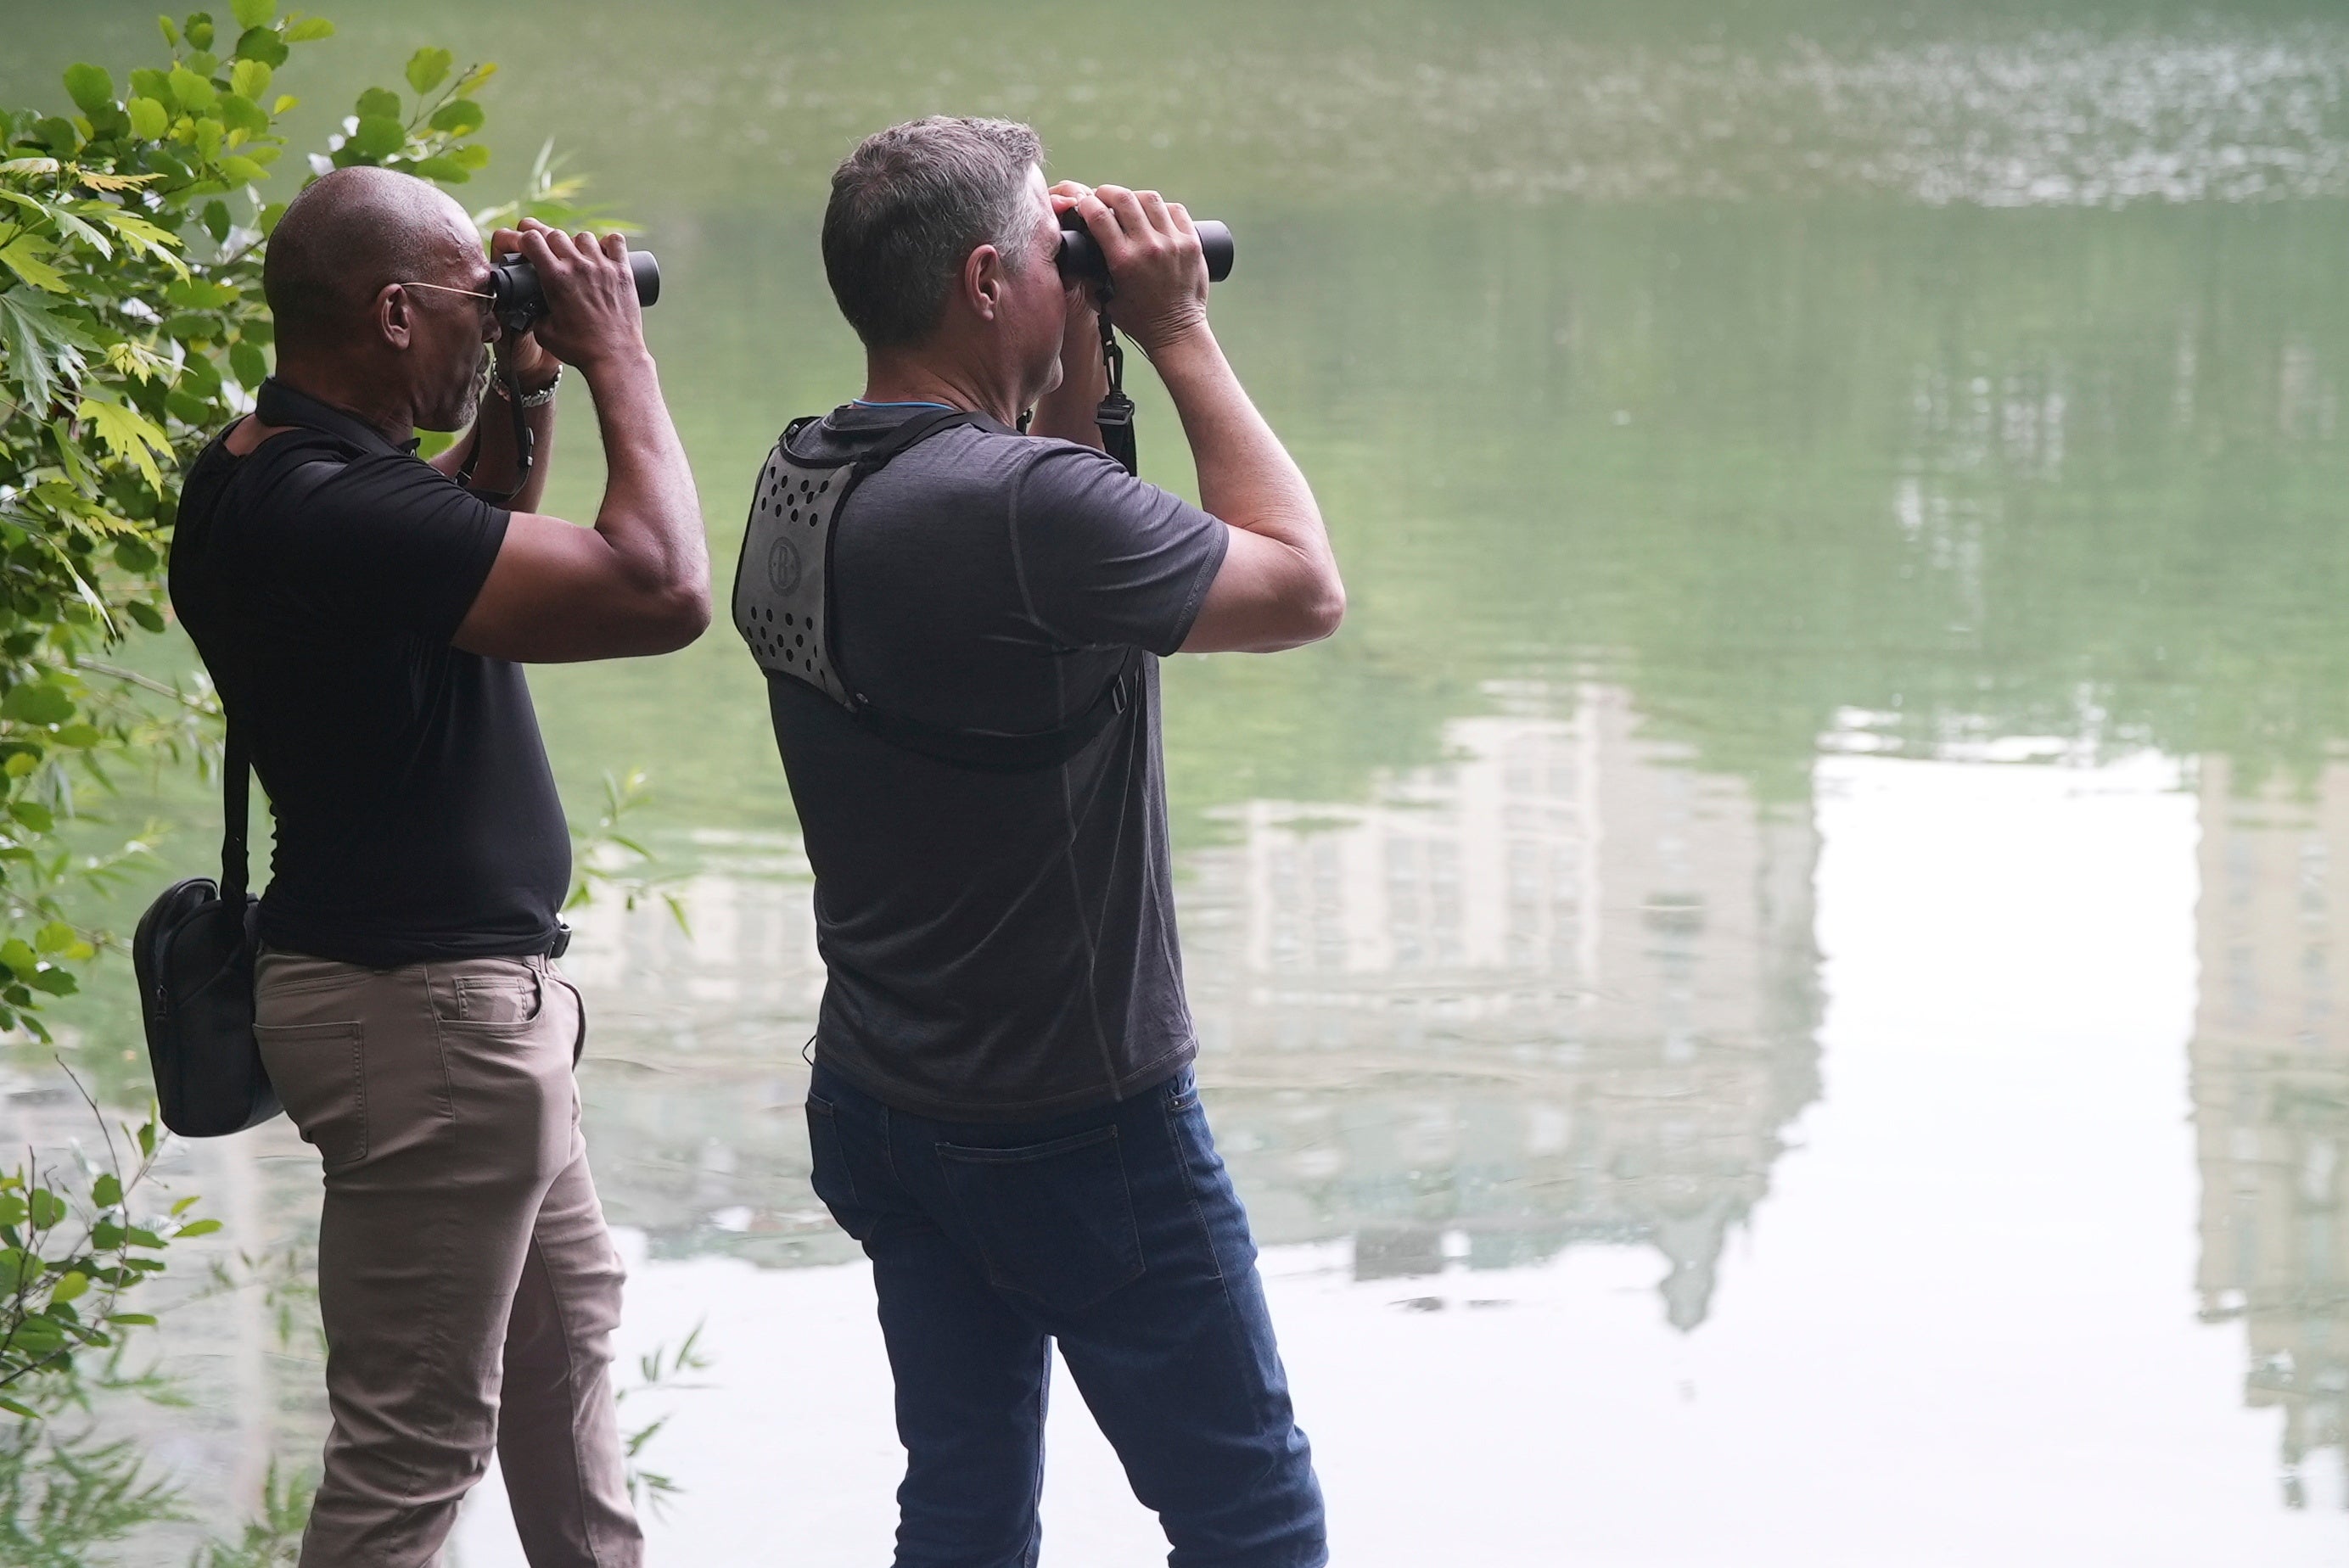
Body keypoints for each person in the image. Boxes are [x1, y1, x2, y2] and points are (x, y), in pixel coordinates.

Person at [756, 117, 1344, 1567]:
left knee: (962, 1509)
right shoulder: (1021, 512)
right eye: (1045, 250)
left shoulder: (806, 475)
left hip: (888, 1101)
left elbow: (1052, 548)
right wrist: (1180, 330)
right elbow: (1299, 589)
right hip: (1075, 1119)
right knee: (1255, 1523)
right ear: (983, 279)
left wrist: (1081, 348)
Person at [167, 165, 708, 1567]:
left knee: (563, 1379)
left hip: (441, 1011)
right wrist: (616, 359)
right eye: (477, 302)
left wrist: (524, 389)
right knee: (412, 1455)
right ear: (396, 313)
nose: (493, 322)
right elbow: (659, 590)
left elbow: (461, 550)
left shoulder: (257, 474)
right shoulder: (333, 509)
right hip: (431, 1027)